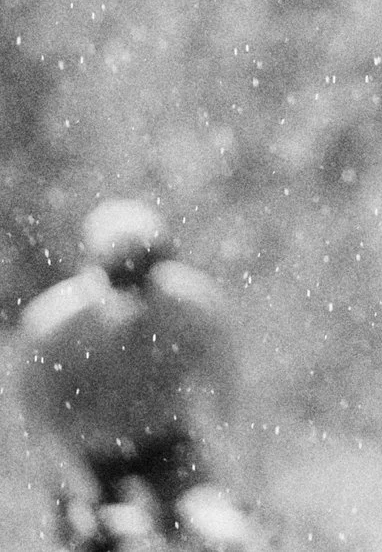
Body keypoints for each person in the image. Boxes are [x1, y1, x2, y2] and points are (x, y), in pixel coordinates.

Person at [15, 200, 264, 552]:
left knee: (225, 536)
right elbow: (39, 424)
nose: (134, 286)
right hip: (89, 458)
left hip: (168, 449)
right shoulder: (53, 327)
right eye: (120, 273)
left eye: (142, 269)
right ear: (94, 266)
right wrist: (74, 491)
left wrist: (237, 487)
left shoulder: (196, 307)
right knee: (100, 539)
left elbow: (230, 400)